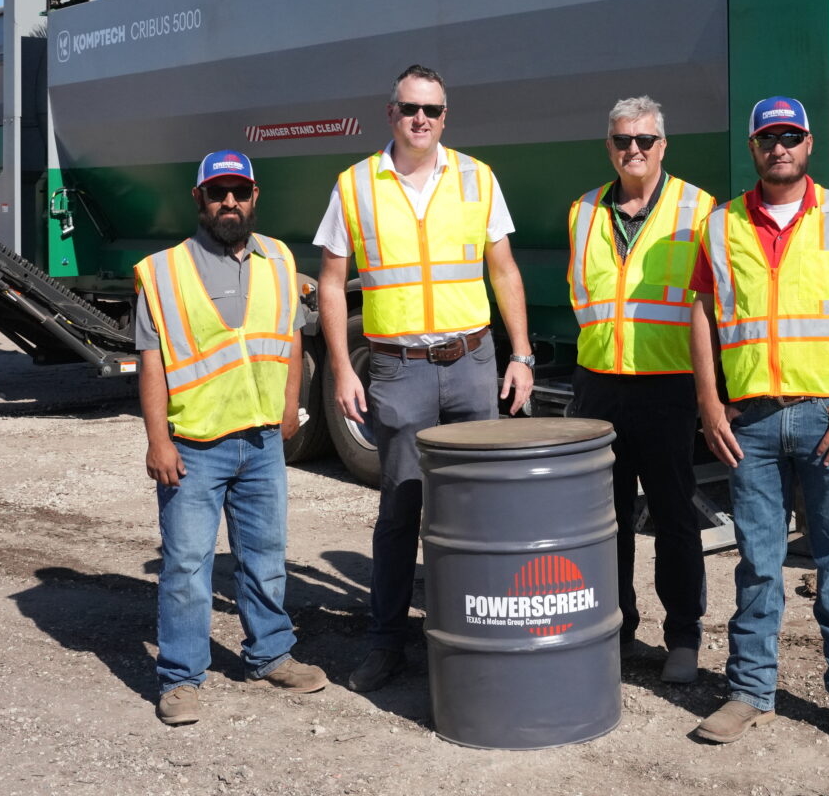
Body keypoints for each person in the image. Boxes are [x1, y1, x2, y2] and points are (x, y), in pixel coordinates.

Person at [314, 65, 535, 692]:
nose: (421, 119)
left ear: (445, 117)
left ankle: (480, 631)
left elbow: (505, 271)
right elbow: (331, 282)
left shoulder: (476, 177)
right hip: (398, 370)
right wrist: (339, 368)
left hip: (471, 365)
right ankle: (387, 643)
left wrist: (521, 354)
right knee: (401, 508)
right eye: (410, 108)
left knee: (478, 510)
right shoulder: (356, 184)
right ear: (390, 113)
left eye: (432, 111)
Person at [686, 98, 829, 751]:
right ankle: (750, 692)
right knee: (757, 561)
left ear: (808, 144)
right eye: (768, 137)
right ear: (753, 147)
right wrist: (709, 404)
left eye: (791, 136)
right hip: (748, 422)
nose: (780, 147)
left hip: (826, 418)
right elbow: (700, 312)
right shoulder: (720, 225)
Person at [134, 150, 327, 727]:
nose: (229, 203)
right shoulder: (165, 271)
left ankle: (270, 654)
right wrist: (157, 441)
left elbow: (290, 339)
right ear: (198, 199)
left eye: (239, 193)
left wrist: (292, 405)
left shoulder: (279, 260)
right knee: (188, 567)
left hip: (264, 440)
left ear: (254, 197)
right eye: (218, 192)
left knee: (265, 558)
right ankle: (180, 678)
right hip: (194, 445)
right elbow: (151, 362)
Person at [564, 96, 715, 684]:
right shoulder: (581, 210)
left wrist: (711, 391)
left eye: (645, 141)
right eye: (623, 141)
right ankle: (616, 627)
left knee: (675, 516)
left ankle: (683, 636)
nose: (634, 151)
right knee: (608, 518)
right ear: (609, 146)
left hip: (667, 384)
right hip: (599, 385)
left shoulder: (698, 209)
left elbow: (714, 304)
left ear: (663, 146)